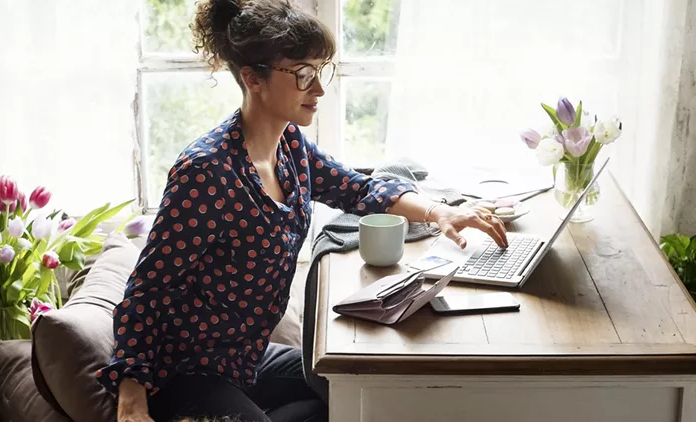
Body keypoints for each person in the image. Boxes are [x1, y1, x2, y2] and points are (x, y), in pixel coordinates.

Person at [96, 0, 509, 421]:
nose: (319, 90)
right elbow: (149, 289)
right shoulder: (206, 172)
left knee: (366, 383)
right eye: (303, 75)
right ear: (252, 78)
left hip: (245, 359)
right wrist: (131, 400)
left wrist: (441, 212)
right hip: (187, 372)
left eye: (319, 72)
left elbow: (357, 188)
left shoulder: (289, 144)